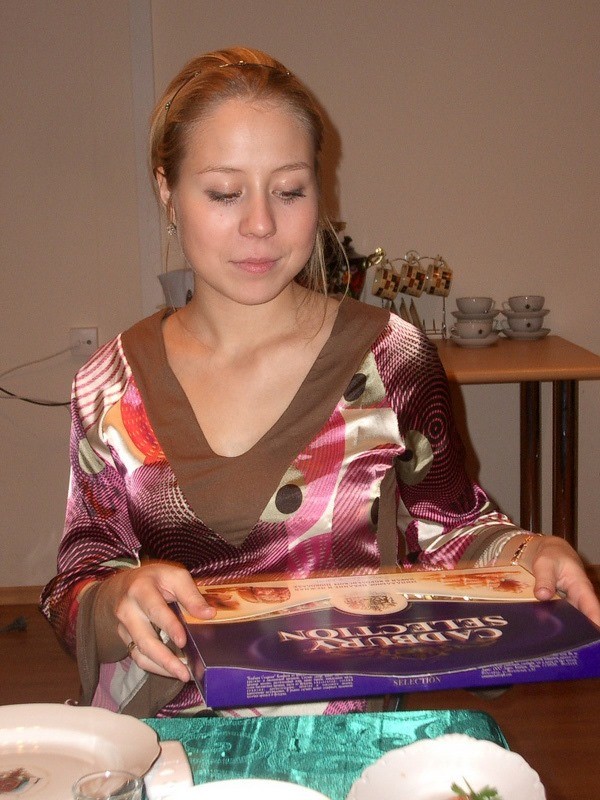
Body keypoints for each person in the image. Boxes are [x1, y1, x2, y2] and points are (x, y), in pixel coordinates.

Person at [41, 46, 600, 718]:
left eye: (289, 191)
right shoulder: (110, 383)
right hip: (171, 748)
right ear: (167, 190)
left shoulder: (389, 356)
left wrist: (527, 552)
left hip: (347, 746)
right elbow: (77, 580)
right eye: (224, 193)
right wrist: (113, 598)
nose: (260, 224)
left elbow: (450, 527)